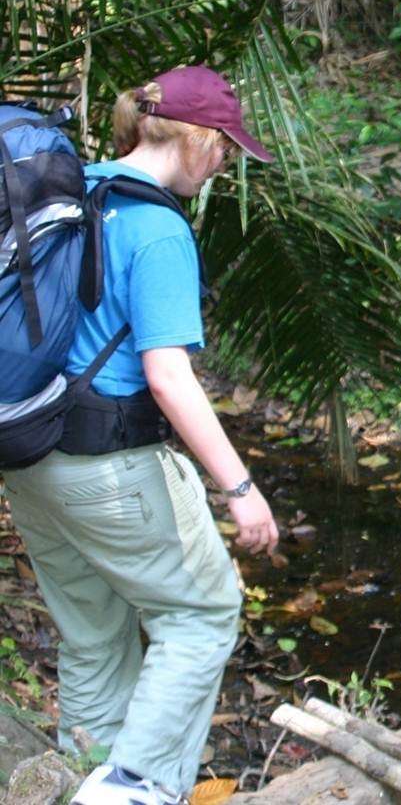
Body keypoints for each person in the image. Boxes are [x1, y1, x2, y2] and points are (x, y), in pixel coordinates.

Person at [4, 66, 279, 805]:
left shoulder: (71, 187)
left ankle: (75, 778)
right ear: (194, 138)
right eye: (224, 146)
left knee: (93, 635)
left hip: (30, 458)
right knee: (202, 612)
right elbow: (168, 378)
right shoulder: (159, 229)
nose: (226, 162)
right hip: (112, 468)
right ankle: (134, 787)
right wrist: (241, 489)